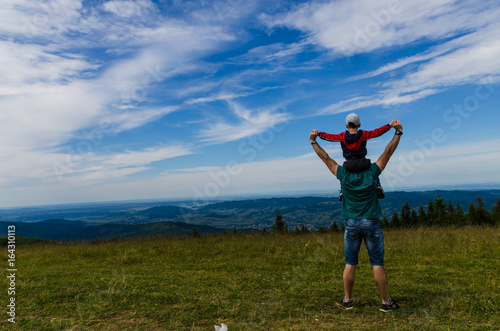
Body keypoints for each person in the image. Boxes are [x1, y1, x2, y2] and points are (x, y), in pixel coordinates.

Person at [309, 119, 403, 312]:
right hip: (371, 222)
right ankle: (386, 303)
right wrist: (397, 133)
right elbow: (388, 152)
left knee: (350, 263)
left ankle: (347, 300)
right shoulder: (372, 173)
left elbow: (326, 159)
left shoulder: (343, 175)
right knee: (377, 264)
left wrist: (313, 141)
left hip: (351, 223)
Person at [318, 113, 391, 201]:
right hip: (363, 163)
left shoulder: (342, 136)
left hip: (349, 165)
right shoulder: (363, 134)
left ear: (346, 125)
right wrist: (389, 126)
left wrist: (319, 134)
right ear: (359, 124)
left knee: (344, 174)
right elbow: (377, 132)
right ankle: (377, 185)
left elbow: (330, 137)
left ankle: (342, 190)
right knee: (372, 170)